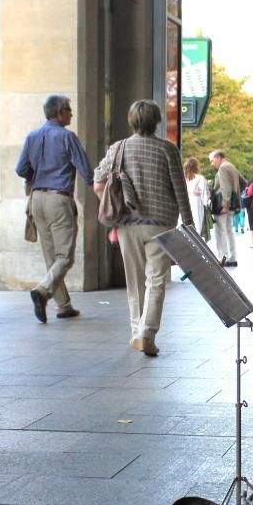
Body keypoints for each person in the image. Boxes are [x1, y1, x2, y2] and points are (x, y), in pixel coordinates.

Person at [94, 100, 194, 357]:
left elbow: (98, 180)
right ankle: (146, 333)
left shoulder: (118, 148)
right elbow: (180, 190)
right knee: (156, 280)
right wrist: (190, 225)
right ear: (157, 120)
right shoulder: (168, 150)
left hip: (128, 222)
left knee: (135, 281)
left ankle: (135, 332)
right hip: (161, 223)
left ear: (132, 120)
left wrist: (113, 207)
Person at [16, 94, 93, 323]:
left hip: (36, 199)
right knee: (65, 257)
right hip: (59, 199)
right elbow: (87, 172)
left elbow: (21, 168)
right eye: (68, 110)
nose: (71, 114)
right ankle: (43, 291)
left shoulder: (32, 136)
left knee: (51, 256)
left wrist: (38, 176)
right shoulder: (67, 137)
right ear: (59, 113)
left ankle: (64, 306)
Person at [208, 150, 239, 266]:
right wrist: (234, 197)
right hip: (231, 203)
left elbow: (225, 187)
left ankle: (223, 257)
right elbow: (243, 182)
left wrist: (225, 204)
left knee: (220, 231)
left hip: (222, 204)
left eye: (212, 160)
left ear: (218, 157)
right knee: (229, 231)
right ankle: (232, 257)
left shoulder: (223, 168)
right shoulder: (232, 167)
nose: (212, 164)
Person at [182, 157, 211, 240]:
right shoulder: (200, 178)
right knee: (197, 227)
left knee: (185, 228)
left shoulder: (182, 178)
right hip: (196, 205)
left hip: (184, 205)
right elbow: (205, 196)